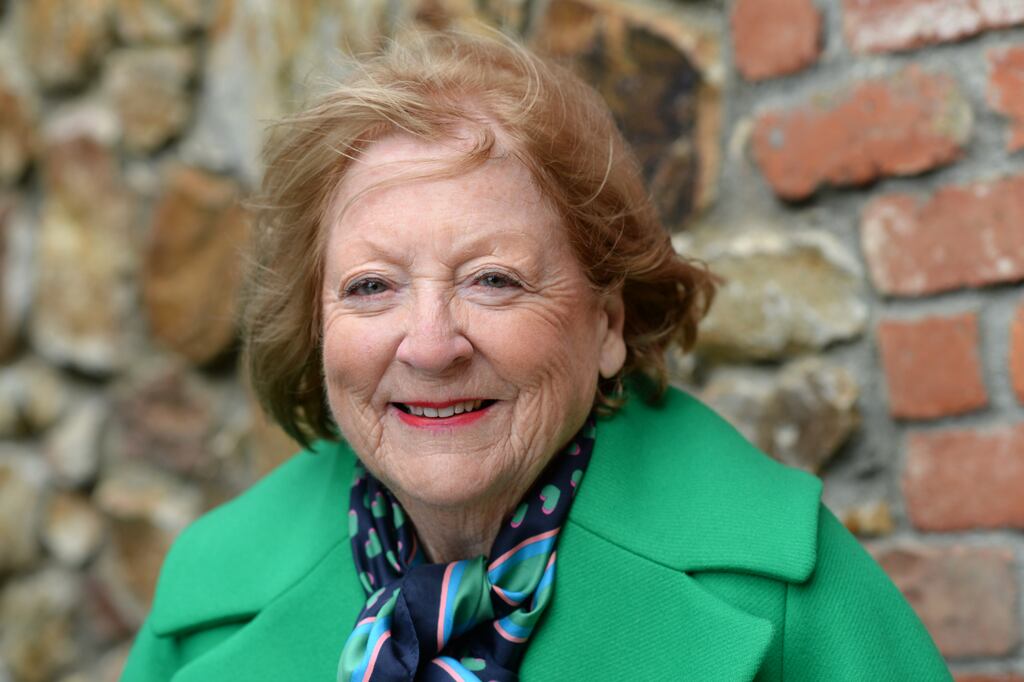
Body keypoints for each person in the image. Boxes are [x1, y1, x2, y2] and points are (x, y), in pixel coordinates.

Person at [121, 30, 952, 681]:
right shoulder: (206, 606)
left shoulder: (782, 598)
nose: (432, 344)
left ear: (606, 325)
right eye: (372, 287)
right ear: (315, 324)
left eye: (493, 280)